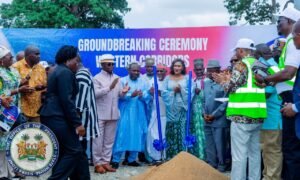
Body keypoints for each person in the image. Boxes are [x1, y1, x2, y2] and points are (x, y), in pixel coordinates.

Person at [255, 6, 300, 180]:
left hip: (291, 98)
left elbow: (288, 73)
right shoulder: (290, 42)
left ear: (290, 22)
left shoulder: (292, 42)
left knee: (291, 147)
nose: (277, 25)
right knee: (290, 146)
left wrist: (266, 80)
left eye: (280, 21)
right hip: (290, 96)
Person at [214, 38, 267, 180]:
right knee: (255, 153)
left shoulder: (240, 65)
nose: (236, 54)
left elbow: (231, 88)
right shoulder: (260, 64)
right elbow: (268, 84)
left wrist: (221, 81)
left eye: (237, 51)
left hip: (241, 117)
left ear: (242, 50)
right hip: (258, 116)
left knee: (239, 155)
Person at [39, 45, 90, 180]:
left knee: (62, 152)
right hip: (57, 117)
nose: (77, 63)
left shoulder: (56, 70)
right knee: (74, 150)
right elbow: (66, 100)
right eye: (75, 60)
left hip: (51, 115)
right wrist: (77, 123)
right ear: (68, 60)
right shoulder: (65, 73)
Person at [0, 46, 33, 179]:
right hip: (3, 112)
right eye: (9, 57)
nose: (12, 58)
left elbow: (17, 83)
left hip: (14, 111)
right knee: (2, 141)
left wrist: (25, 82)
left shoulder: (12, 70)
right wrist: (18, 91)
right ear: (1, 60)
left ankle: (13, 172)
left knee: (13, 140)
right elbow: (2, 94)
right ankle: (3, 173)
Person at [111, 62, 149, 169]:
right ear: (129, 70)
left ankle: (132, 159)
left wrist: (143, 95)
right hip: (125, 112)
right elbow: (118, 96)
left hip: (138, 112)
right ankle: (115, 160)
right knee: (122, 134)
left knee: (137, 134)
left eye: (138, 71)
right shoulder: (122, 80)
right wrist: (129, 95)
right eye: (134, 70)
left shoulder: (143, 82)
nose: (136, 72)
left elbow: (147, 96)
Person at [255, 44, 283, 180]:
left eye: (255, 57)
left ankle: (271, 177)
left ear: (259, 56)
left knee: (272, 151)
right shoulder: (273, 67)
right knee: (267, 151)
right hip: (271, 118)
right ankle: (268, 176)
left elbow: (266, 93)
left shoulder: (269, 68)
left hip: (273, 118)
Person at [92, 54, 123, 173]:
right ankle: (97, 163)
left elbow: (119, 93)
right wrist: (109, 88)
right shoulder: (96, 78)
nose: (111, 66)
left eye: (113, 64)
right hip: (100, 114)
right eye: (109, 64)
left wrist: (123, 92)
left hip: (113, 113)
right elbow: (95, 94)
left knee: (109, 140)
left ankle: (105, 162)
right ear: (103, 65)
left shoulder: (117, 77)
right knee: (98, 141)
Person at [203, 60, 228, 172]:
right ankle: (211, 164)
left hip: (219, 120)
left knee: (220, 144)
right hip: (206, 119)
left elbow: (226, 102)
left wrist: (214, 115)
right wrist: (204, 114)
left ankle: (222, 165)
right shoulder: (206, 83)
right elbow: (204, 100)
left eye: (211, 70)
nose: (208, 73)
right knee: (209, 144)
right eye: (208, 71)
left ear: (218, 70)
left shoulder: (224, 83)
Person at [162, 59, 188, 160]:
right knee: (171, 130)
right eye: (175, 66)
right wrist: (173, 92)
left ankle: (182, 158)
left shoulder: (186, 78)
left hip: (182, 108)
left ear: (182, 68)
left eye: (179, 66)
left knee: (181, 131)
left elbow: (190, 92)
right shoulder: (167, 78)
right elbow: (164, 93)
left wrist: (181, 90)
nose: (177, 68)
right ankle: (170, 157)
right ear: (172, 67)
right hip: (171, 109)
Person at [13, 45, 47, 122]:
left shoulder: (41, 68)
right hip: (20, 111)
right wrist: (21, 87)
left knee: (36, 133)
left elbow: (45, 84)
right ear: (29, 55)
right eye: (37, 54)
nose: (39, 56)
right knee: (21, 133)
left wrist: (41, 88)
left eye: (39, 54)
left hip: (36, 111)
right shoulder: (16, 67)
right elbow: (10, 87)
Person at [75, 57, 100, 161]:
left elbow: (79, 103)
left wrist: (75, 120)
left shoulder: (81, 75)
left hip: (81, 118)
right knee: (81, 147)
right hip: (85, 117)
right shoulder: (85, 73)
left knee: (79, 148)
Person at [146, 64, 167, 163]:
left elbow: (172, 95)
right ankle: (156, 157)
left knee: (164, 134)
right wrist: (150, 94)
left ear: (165, 72)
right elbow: (146, 99)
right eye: (157, 71)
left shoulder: (168, 82)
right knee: (153, 134)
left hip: (167, 113)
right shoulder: (151, 82)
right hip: (155, 113)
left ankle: (165, 156)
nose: (159, 73)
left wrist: (162, 94)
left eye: (161, 71)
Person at [188, 58, 206, 160]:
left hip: (204, 111)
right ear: (194, 70)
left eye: (201, 69)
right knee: (195, 131)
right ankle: (197, 156)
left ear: (203, 69)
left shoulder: (207, 81)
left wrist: (200, 93)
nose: (199, 71)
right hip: (194, 110)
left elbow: (209, 97)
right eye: (197, 70)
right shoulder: (192, 81)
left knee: (204, 133)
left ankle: (205, 156)